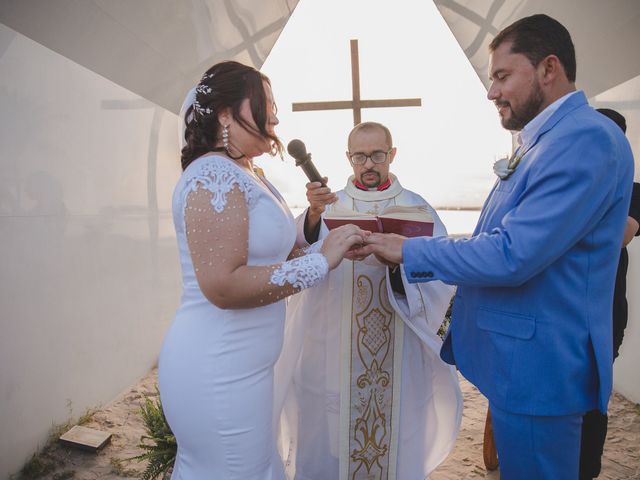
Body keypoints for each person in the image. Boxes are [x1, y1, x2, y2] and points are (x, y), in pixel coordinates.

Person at [354, 14, 634, 479]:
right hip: (519, 366)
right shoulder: (545, 140)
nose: (491, 92)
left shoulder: (583, 139)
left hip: (539, 371)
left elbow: (511, 254)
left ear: (549, 68)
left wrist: (408, 251)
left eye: (503, 76)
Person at [157, 61, 365, 479]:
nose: (274, 116)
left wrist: (327, 240)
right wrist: (322, 262)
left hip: (247, 367)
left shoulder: (250, 173)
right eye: (265, 104)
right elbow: (224, 285)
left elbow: (279, 258)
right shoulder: (213, 174)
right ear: (226, 114)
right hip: (217, 367)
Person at [277, 122, 462, 479]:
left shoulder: (415, 208)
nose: (369, 164)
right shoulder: (329, 206)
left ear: (392, 155)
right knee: (331, 438)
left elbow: (442, 273)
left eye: (377, 155)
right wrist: (314, 219)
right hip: (333, 347)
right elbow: (295, 257)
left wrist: (400, 264)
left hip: (397, 347)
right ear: (349, 159)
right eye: (360, 156)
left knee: (394, 438)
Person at [579, 108, 640, 480]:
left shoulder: (633, 191)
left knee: (593, 397)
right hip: (563, 308)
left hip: (605, 312)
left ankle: (586, 471)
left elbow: (621, 235)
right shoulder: (570, 186)